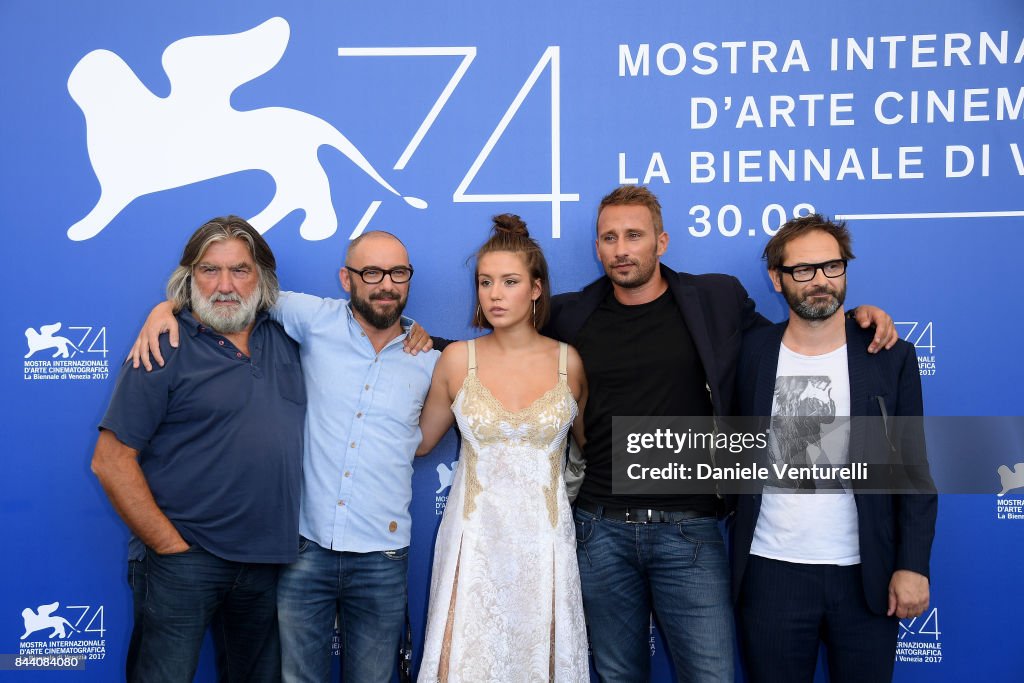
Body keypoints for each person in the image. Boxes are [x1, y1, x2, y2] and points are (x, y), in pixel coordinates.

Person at [540, 186, 897, 682]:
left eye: (634, 235)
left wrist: (855, 319)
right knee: (619, 674)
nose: (621, 249)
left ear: (661, 242)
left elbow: (794, 336)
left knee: (712, 675)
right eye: (609, 238)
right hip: (600, 529)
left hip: (691, 531)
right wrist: (413, 338)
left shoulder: (716, 299)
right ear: (597, 247)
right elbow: (505, 343)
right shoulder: (569, 313)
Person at [130, 230, 438, 683]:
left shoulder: (431, 358)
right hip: (303, 550)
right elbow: (230, 289)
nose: (385, 284)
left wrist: (424, 336)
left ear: (409, 279)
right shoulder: (310, 317)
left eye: (398, 273)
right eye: (371, 272)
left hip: (383, 556)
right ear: (346, 278)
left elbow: (430, 433)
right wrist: (166, 308)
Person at [91, 216, 305, 682]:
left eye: (239, 270)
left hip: (268, 564)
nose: (224, 285)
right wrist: (170, 546)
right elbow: (110, 460)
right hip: (184, 563)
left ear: (262, 278)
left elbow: (369, 325)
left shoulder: (293, 338)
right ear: (190, 278)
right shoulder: (163, 344)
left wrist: (413, 335)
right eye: (209, 270)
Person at [730, 215, 936, 683]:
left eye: (832, 266)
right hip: (770, 573)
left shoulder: (888, 355)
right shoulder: (750, 353)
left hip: (867, 575)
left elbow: (913, 467)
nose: (820, 280)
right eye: (803, 270)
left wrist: (912, 565)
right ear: (776, 280)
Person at [415, 215, 590, 682]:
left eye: (509, 282)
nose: (494, 294)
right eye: (485, 282)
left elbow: (594, 450)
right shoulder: (456, 361)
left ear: (536, 289)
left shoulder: (567, 362)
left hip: (545, 543)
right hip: (474, 543)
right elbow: (418, 441)